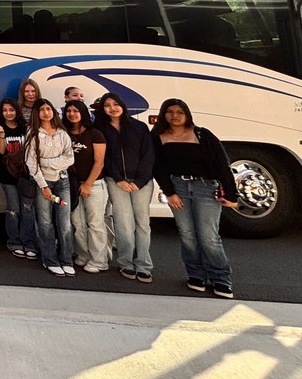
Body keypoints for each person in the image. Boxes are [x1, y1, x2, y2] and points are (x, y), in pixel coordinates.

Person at [151, 98, 238, 298]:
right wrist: (169, 192)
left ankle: (221, 279)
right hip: (178, 188)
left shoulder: (202, 134)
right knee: (187, 235)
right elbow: (159, 168)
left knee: (209, 237)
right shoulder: (158, 137)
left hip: (205, 187)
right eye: (170, 111)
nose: (175, 115)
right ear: (164, 114)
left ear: (187, 114)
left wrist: (232, 194)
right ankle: (196, 275)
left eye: (179, 112)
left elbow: (222, 164)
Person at [96, 91, 155, 284]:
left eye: (115, 104)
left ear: (122, 105)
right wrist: (118, 178)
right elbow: (105, 158)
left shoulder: (139, 127)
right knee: (123, 224)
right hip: (116, 181)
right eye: (107, 105)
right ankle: (125, 262)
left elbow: (148, 156)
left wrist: (139, 181)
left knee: (142, 224)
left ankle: (144, 264)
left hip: (142, 182)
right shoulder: (101, 129)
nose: (112, 108)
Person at [25, 99, 75, 277]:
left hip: (63, 182)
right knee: (45, 223)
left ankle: (66, 259)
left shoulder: (62, 133)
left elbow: (70, 159)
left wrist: (46, 162)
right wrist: (44, 186)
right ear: (36, 114)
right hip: (43, 184)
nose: (46, 112)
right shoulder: (33, 134)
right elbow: (32, 163)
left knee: (64, 223)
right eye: (42, 110)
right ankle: (50, 260)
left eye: (49, 109)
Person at [63, 100, 108, 273]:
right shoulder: (65, 133)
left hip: (94, 184)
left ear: (83, 112)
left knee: (95, 223)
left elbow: (99, 162)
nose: (72, 114)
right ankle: (83, 254)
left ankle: (99, 260)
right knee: (77, 222)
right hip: (72, 185)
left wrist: (88, 184)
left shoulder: (95, 134)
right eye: (69, 111)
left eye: (76, 110)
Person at [0, 98, 36, 259]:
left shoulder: (26, 127)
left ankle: (29, 243)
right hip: (7, 175)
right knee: (13, 209)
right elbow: (2, 151)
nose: (8, 113)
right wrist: (2, 135)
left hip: (26, 175)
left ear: (16, 111)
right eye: (5, 110)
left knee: (28, 210)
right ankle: (14, 242)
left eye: (11, 110)